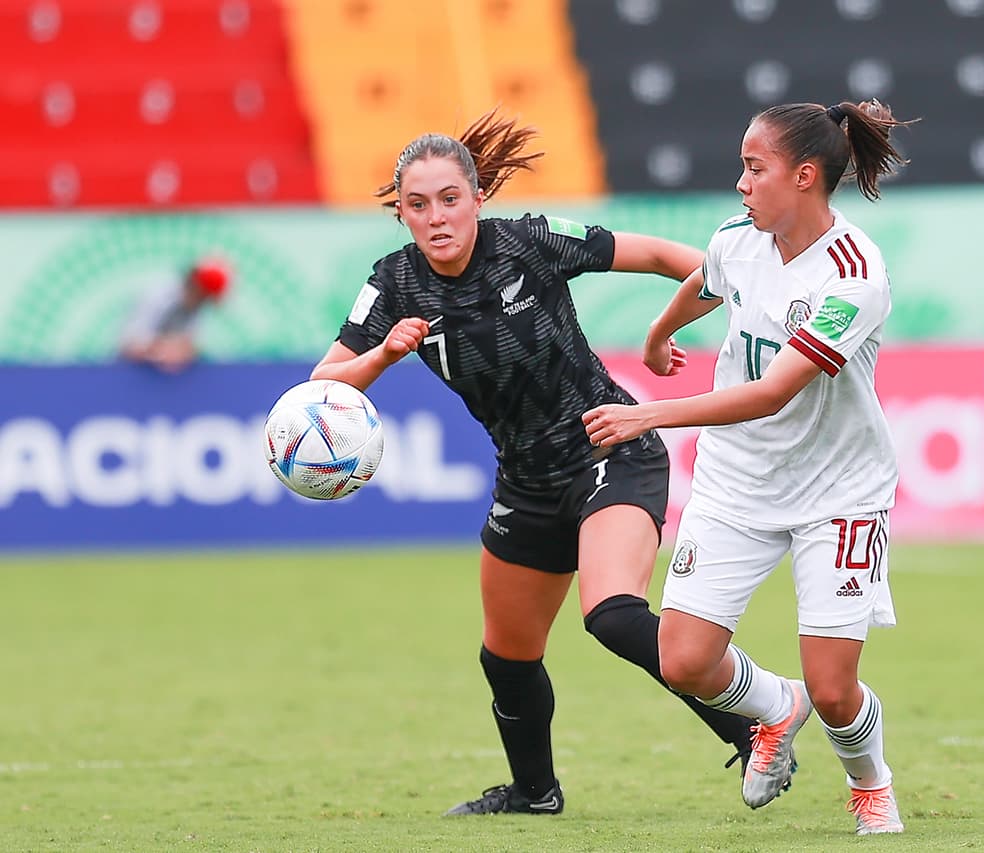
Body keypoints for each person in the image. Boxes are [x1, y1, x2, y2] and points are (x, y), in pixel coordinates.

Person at [309, 108, 754, 816]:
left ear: (477, 197)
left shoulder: (529, 243)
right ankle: (533, 791)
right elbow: (321, 388)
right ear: (401, 214)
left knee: (611, 614)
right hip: (526, 478)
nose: (435, 217)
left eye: (449, 198)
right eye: (416, 205)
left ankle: (754, 723)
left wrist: (689, 323)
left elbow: (678, 261)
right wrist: (384, 353)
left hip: (611, 447)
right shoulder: (393, 283)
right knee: (506, 654)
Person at [582, 99, 912, 835]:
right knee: (684, 661)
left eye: (753, 168)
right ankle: (772, 705)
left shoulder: (853, 277)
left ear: (802, 176)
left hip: (838, 490)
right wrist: (660, 331)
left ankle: (870, 783)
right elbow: (708, 280)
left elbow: (769, 393)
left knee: (834, 690)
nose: (740, 183)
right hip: (740, 482)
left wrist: (647, 412)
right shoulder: (740, 238)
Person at [119, 257, 232, 372]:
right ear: (193, 282)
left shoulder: (197, 308)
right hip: (130, 373)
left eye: (206, 297)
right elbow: (129, 345)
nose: (202, 299)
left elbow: (192, 347)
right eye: (202, 292)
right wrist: (162, 348)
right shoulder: (158, 294)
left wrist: (181, 350)